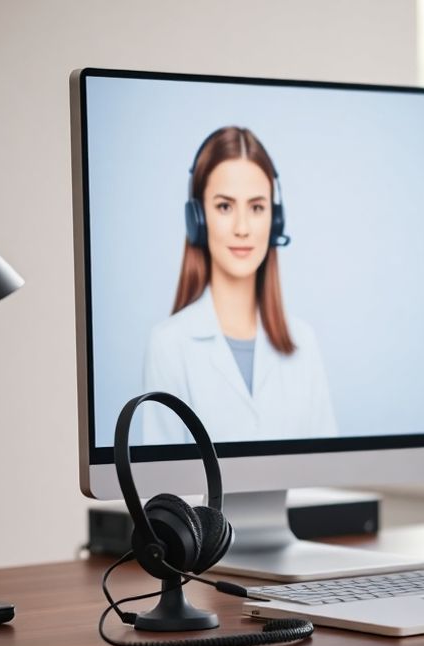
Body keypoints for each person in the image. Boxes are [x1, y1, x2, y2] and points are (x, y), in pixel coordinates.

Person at [143, 126, 337, 444]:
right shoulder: (169, 345)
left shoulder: (304, 341)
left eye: (257, 207)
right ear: (197, 219)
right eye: (225, 206)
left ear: (275, 221)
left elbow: (328, 468)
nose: (242, 228)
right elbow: (163, 476)